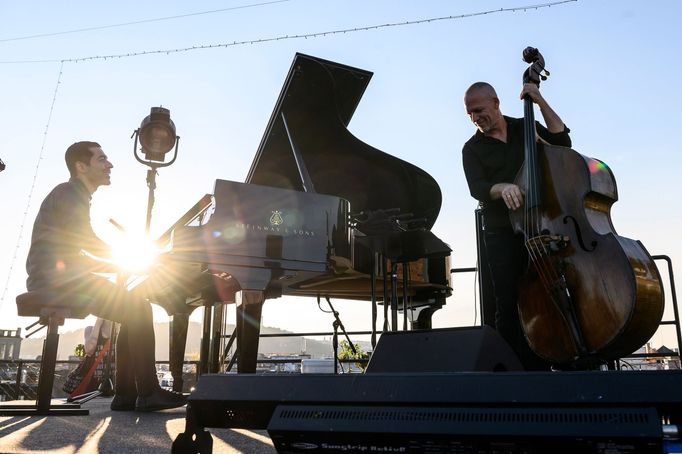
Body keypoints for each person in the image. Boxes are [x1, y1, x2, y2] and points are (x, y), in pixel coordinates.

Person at [25, 141, 187, 411]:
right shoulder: (69, 193)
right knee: (138, 307)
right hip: (57, 281)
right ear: (81, 166)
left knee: (132, 309)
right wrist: (132, 260)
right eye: (102, 159)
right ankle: (146, 392)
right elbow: (86, 241)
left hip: (58, 277)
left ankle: (127, 394)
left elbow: (76, 253)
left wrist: (121, 266)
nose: (109, 164)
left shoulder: (72, 195)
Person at [461, 82, 572, 370]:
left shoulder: (526, 126)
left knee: (558, 289)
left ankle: (568, 358)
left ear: (496, 103)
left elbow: (562, 142)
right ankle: (513, 372)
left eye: (479, 110)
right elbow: (478, 187)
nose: (475, 117)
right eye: (470, 113)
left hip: (543, 224)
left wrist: (538, 98)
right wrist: (502, 187)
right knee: (508, 302)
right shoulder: (472, 148)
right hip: (502, 230)